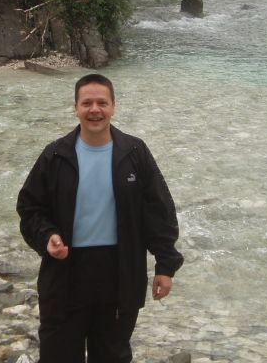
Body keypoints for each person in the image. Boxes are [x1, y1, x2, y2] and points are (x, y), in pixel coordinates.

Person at [17, 73, 183, 363]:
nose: (95, 110)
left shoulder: (135, 152)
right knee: (58, 355)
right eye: (87, 103)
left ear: (113, 107)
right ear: (76, 108)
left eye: (102, 103)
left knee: (112, 356)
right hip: (65, 271)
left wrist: (165, 266)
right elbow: (30, 207)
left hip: (119, 272)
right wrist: (47, 236)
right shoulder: (55, 155)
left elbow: (159, 212)